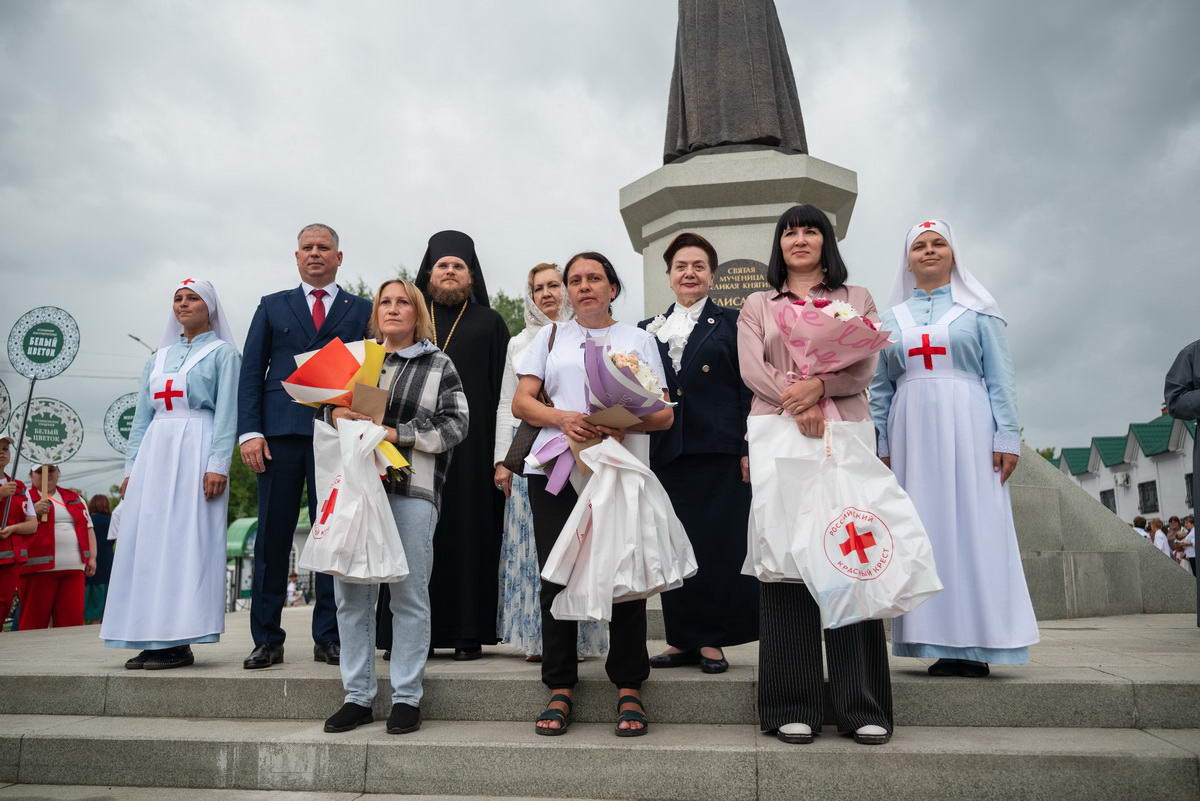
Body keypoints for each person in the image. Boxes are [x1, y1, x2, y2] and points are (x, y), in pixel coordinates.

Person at [738, 204, 892, 746]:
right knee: (785, 562)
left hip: (844, 434)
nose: (799, 239)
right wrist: (797, 399)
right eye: (789, 232)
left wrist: (821, 388)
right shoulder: (758, 304)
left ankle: (861, 703)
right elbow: (751, 367)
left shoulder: (857, 298)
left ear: (826, 240)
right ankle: (791, 702)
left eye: (810, 231)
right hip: (778, 433)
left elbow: (864, 365)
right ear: (778, 244)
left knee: (852, 557)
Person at [513, 251, 674, 736]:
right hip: (558, 469)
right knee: (556, 572)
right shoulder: (550, 337)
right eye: (575, 280)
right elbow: (522, 402)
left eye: (594, 278)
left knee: (623, 573)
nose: (584, 286)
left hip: (617, 468)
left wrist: (622, 424)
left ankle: (628, 685)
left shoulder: (638, 339)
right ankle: (560, 685)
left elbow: (664, 413)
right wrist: (564, 418)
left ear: (612, 288)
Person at [870, 218, 1038, 681]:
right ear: (908, 260)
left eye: (938, 243)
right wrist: (881, 444)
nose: (928, 251)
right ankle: (934, 640)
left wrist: (1007, 437)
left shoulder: (979, 312)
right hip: (911, 433)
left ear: (953, 254)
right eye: (919, 246)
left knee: (975, 526)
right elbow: (881, 388)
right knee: (923, 527)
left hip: (969, 426)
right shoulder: (890, 321)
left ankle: (980, 640)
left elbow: (1001, 378)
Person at [321, 279, 469, 736]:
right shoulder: (357, 360)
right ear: (376, 313)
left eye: (403, 302)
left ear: (417, 312)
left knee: (408, 595)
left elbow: (457, 424)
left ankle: (406, 697)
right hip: (357, 488)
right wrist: (334, 415)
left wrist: (395, 433)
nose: (392, 308)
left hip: (412, 488)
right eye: (385, 302)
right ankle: (357, 696)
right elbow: (327, 412)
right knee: (351, 596)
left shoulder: (439, 363)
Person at [238, 224, 373, 669]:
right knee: (272, 538)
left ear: (339, 257)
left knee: (333, 533)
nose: (315, 253)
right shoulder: (272, 305)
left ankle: (329, 637)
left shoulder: (361, 309)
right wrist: (250, 432)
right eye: (307, 248)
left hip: (336, 434)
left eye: (324, 247)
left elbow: (372, 371)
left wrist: (368, 426)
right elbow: (251, 371)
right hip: (279, 437)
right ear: (296, 257)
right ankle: (266, 639)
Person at [101, 279, 240, 668]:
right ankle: (149, 635)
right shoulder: (158, 358)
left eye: (193, 298)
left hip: (197, 447)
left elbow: (227, 412)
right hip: (155, 452)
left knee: (185, 541)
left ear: (210, 307)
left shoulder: (224, 354)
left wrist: (218, 464)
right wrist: (131, 468)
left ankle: (179, 639)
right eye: (178, 299)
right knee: (148, 542)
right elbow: (141, 418)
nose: (183, 304)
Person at [638, 232, 757, 674]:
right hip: (666, 451)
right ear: (669, 275)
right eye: (681, 267)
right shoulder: (646, 329)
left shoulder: (734, 323)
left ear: (712, 274)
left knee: (717, 544)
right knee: (674, 543)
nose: (689, 273)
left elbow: (749, 389)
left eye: (698, 266)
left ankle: (711, 640)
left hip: (719, 447)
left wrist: (747, 447)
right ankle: (680, 638)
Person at [403, 230, 509, 661]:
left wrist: (502, 457)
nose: (450, 272)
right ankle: (411, 637)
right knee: (412, 538)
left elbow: (503, 395)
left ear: (471, 276)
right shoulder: (410, 321)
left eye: (458, 266)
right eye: (442, 265)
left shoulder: (491, 323)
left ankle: (468, 633)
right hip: (411, 446)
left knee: (469, 536)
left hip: (472, 451)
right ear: (429, 273)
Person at [494, 263, 607, 661]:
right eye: (538, 288)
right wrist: (503, 460)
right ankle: (539, 638)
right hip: (535, 452)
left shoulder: (588, 335)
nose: (546, 294)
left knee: (583, 544)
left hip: (584, 448)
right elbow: (507, 404)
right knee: (535, 550)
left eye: (554, 285)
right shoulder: (519, 342)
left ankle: (584, 639)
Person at [20, 464, 97, 629]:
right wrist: (33, 512)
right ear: (31, 476)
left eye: (51, 470)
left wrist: (92, 557)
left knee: (71, 623)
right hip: (37, 570)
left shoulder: (74, 497)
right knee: (34, 623)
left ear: (58, 473)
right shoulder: (24, 497)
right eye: (40, 472)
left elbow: (88, 528)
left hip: (74, 568)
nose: (46, 475)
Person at [0, 436, 38, 628]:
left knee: (3, 605)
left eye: (5, 448)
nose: (2, 452)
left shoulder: (19, 487)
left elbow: (32, 524)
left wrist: (14, 528)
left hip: (9, 559)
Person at [83, 495, 115, 624]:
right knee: (100, 603)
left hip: (89, 560)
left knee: (84, 601)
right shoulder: (112, 520)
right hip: (107, 561)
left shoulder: (89, 520)